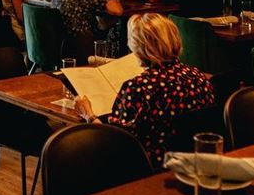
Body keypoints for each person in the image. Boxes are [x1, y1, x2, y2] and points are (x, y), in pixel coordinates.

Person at [74, 14, 214, 168]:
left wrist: (89, 115)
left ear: (139, 47)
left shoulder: (139, 87)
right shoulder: (198, 76)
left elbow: (115, 142)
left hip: (151, 167)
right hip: (196, 161)